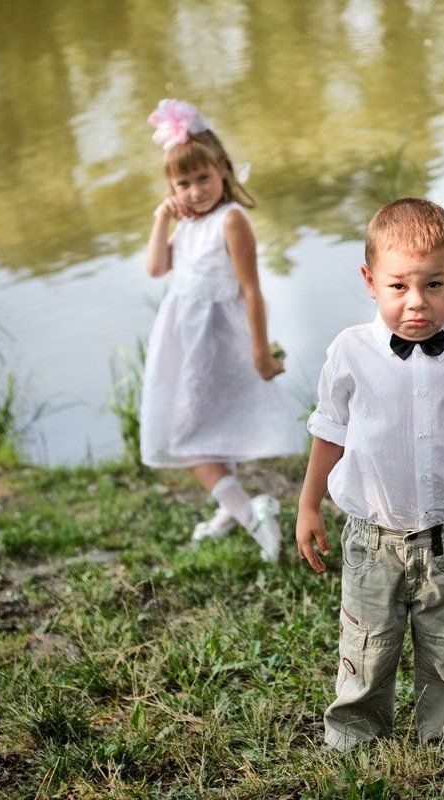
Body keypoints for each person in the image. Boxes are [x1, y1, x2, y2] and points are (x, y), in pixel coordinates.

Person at [296, 198, 444, 752]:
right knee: (367, 644)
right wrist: (308, 505)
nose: (416, 304)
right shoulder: (349, 352)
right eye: (398, 287)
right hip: (372, 537)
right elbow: (330, 432)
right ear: (370, 282)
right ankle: (354, 739)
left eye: (434, 285)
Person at [140, 99, 302, 558]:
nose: (195, 191)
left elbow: (251, 290)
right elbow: (156, 268)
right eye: (183, 183)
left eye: (203, 178)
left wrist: (260, 352)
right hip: (184, 338)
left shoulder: (231, 220)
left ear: (224, 171)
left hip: (217, 340)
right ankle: (231, 510)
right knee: (203, 425)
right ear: (172, 188)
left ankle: (252, 515)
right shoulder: (188, 223)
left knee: (186, 437)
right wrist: (162, 216)